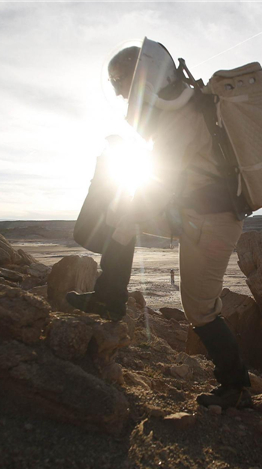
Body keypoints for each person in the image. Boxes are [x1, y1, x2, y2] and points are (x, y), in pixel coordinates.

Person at [68, 39, 252, 409]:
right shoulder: (182, 105)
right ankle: (108, 299)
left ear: (138, 79)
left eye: (121, 87)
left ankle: (237, 388)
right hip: (197, 214)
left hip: (209, 221)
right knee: (123, 217)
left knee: (199, 310)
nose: (122, 97)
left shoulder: (178, 114)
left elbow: (164, 177)